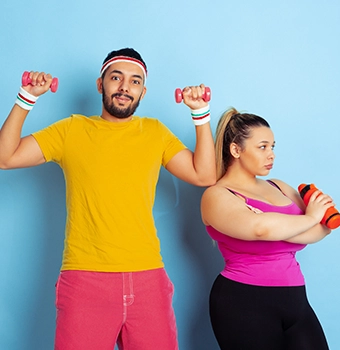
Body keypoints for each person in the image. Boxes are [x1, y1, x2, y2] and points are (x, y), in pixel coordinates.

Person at [0, 48, 216, 350]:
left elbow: (204, 175)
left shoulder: (155, 133)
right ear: (101, 84)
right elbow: (6, 156)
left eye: (135, 81)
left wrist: (200, 114)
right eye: (116, 78)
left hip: (148, 281)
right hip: (85, 281)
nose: (125, 87)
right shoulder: (71, 129)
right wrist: (27, 97)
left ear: (143, 91)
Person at [201, 107, 333, 350]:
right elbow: (259, 229)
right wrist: (310, 216)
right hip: (244, 301)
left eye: (273, 147)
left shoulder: (279, 186)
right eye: (262, 147)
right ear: (236, 150)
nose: (270, 154)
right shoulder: (217, 195)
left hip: (296, 299)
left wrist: (295, 223)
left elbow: (322, 229)